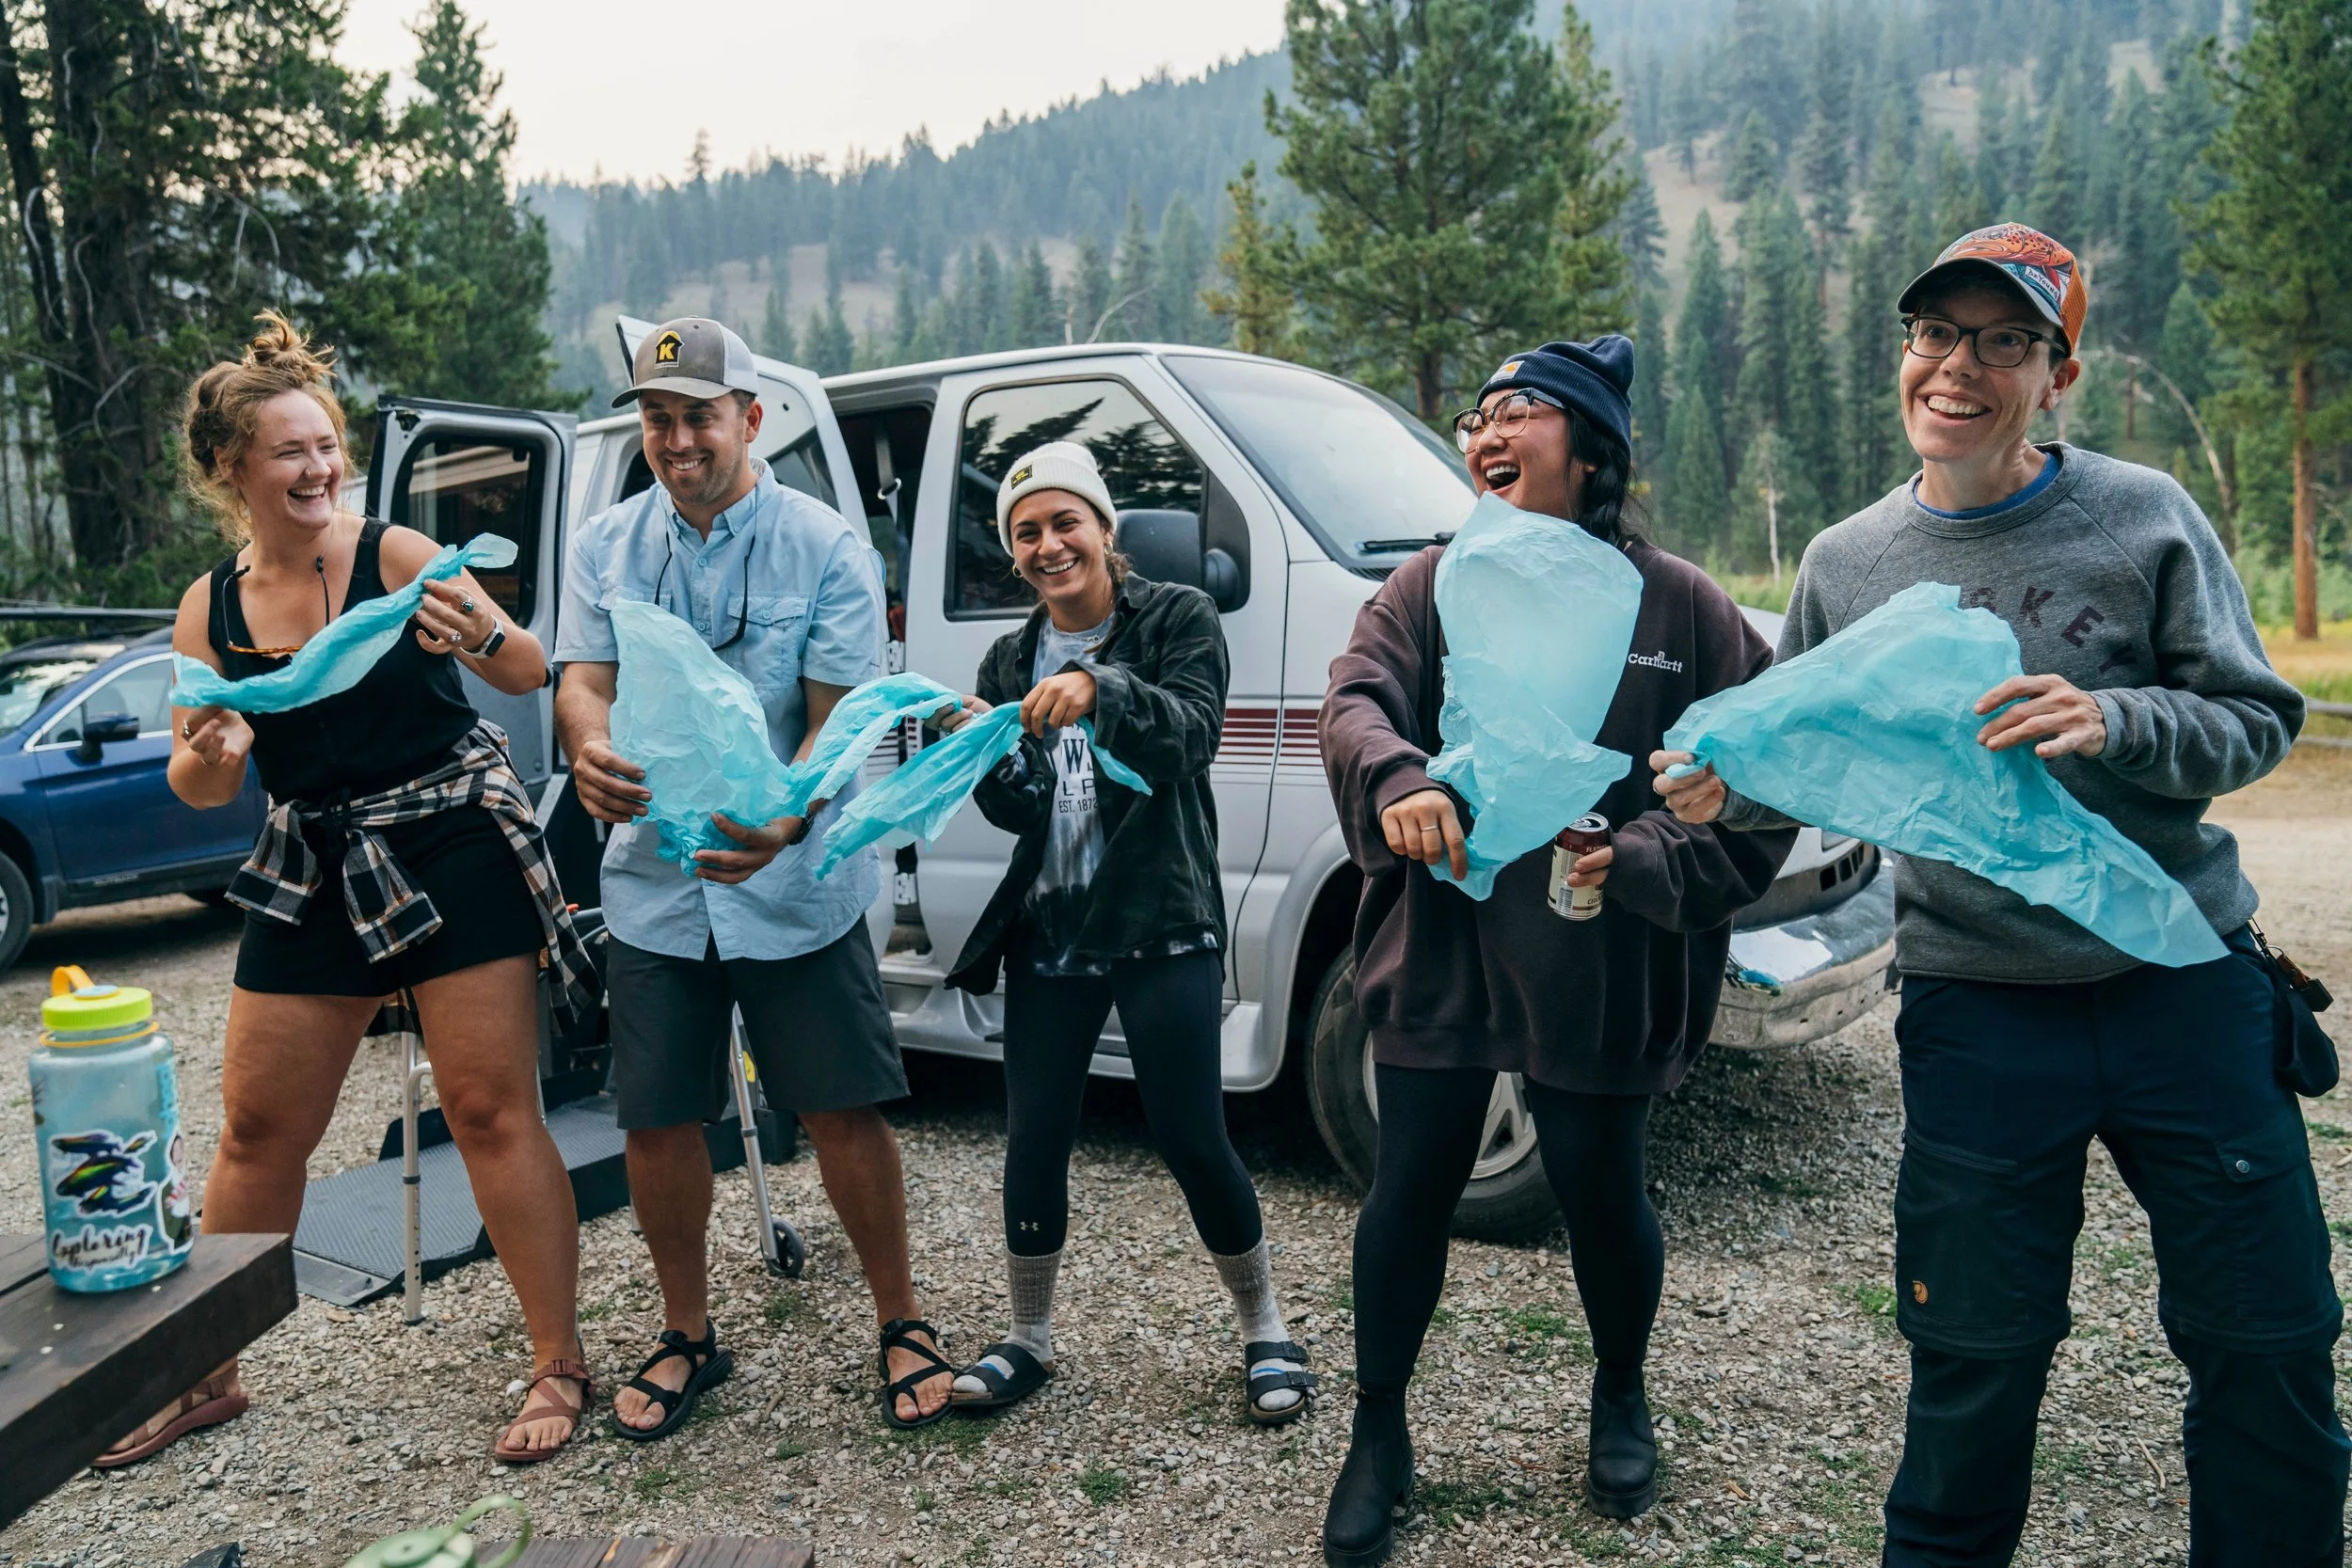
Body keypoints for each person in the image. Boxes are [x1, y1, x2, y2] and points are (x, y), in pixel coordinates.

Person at [1652, 224, 2346, 1567]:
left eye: (2003, 340)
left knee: (2268, 1342)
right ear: (1906, 358)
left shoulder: (2141, 516)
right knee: (1972, 1358)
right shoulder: (1847, 565)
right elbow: (1800, 758)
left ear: (2058, 373)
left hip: (2183, 986)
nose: (1958, 366)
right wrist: (1718, 793)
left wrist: (2117, 714)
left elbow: (2261, 717)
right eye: (1935, 336)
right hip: (1979, 1006)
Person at [1317, 338, 1797, 1565]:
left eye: (1521, 410)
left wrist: (1643, 853)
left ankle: (1621, 1389)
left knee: (1599, 1189)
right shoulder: (1431, 581)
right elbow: (1357, 694)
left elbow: (1759, 774)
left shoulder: (1679, 603)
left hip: (1598, 958)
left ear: (1593, 452)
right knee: (1409, 1187)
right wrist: (1398, 775)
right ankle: (1379, 1428)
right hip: (1443, 941)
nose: (1486, 428)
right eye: (1478, 414)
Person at [147, 313, 596, 1466]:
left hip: (449, 836)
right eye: (290, 451)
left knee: (491, 1107)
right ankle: (205, 1367)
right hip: (315, 859)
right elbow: (194, 779)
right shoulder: (213, 608)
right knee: (255, 1127)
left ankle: (558, 1360)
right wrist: (219, 751)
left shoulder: (394, 549)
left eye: (327, 445)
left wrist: (479, 625)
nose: (318, 467)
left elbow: (528, 667)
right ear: (232, 469)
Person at [553, 317, 956, 1434]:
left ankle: (902, 1317)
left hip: (792, 879)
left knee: (839, 1104)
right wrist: (586, 745)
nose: (677, 438)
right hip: (652, 883)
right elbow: (580, 682)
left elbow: (838, 725)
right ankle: (687, 1332)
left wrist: (785, 821)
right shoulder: (605, 544)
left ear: (749, 419)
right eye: (657, 417)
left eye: (698, 415)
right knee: (657, 1121)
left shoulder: (824, 544)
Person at [930, 442, 1316, 1428]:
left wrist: (1104, 690)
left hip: (1159, 916)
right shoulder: (1009, 657)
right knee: (1035, 1135)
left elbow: (1192, 735)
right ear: (1011, 551)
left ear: (1105, 531)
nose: (1049, 544)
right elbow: (1018, 810)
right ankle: (1029, 1336)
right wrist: (980, 746)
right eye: (1027, 531)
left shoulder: (1177, 617)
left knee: (1190, 1133)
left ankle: (1265, 1325)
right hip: (1052, 927)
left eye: (1066, 522)